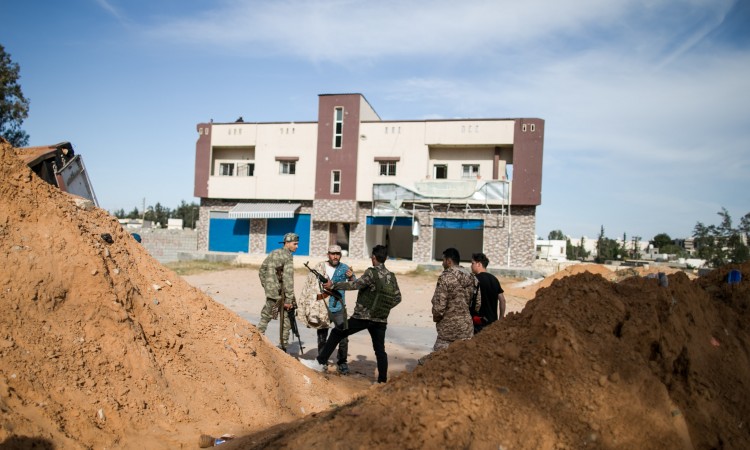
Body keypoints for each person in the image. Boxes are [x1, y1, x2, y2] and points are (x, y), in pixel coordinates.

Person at [300, 245, 401, 383]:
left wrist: (333, 285)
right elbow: (397, 298)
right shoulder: (391, 276)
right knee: (380, 350)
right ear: (386, 258)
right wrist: (381, 309)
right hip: (380, 319)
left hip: (363, 317)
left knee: (337, 332)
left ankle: (320, 362)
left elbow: (355, 285)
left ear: (374, 258)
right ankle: (382, 381)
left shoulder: (371, 272)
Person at [298, 244, 356, 374]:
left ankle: (342, 362)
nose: (335, 256)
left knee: (343, 336)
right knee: (322, 336)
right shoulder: (320, 267)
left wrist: (351, 277)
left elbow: (355, 283)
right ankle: (321, 362)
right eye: (332, 253)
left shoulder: (345, 268)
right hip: (322, 306)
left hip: (338, 306)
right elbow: (310, 285)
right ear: (328, 254)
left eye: (337, 254)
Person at [431, 247, 480, 351]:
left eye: (443, 260)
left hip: (447, 331)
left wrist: (437, 319)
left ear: (449, 261)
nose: (442, 263)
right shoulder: (473, 278)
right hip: (466, 329)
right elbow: (477, 305)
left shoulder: (445, 277)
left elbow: (439, 307)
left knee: (439, 360)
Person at [257, 232, 299, 351]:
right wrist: (290, 298)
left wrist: (268, 286)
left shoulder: (274, 252)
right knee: (286, 318)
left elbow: (262, 270)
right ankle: (283, 346)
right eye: (295, 244)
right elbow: (288, 279)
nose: (297, 246)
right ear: (288, 243)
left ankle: (257, 337)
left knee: (266, 316)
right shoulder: (288, 256)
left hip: (271, 292)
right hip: (283, 294)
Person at [470, 252, 506, 334]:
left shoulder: (474, 280)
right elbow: (502, 300)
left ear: (479, 264)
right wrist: (500, 319)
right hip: (492, 324)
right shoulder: (494, 279)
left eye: (472, 263)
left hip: (477, 324)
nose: (471, 266)